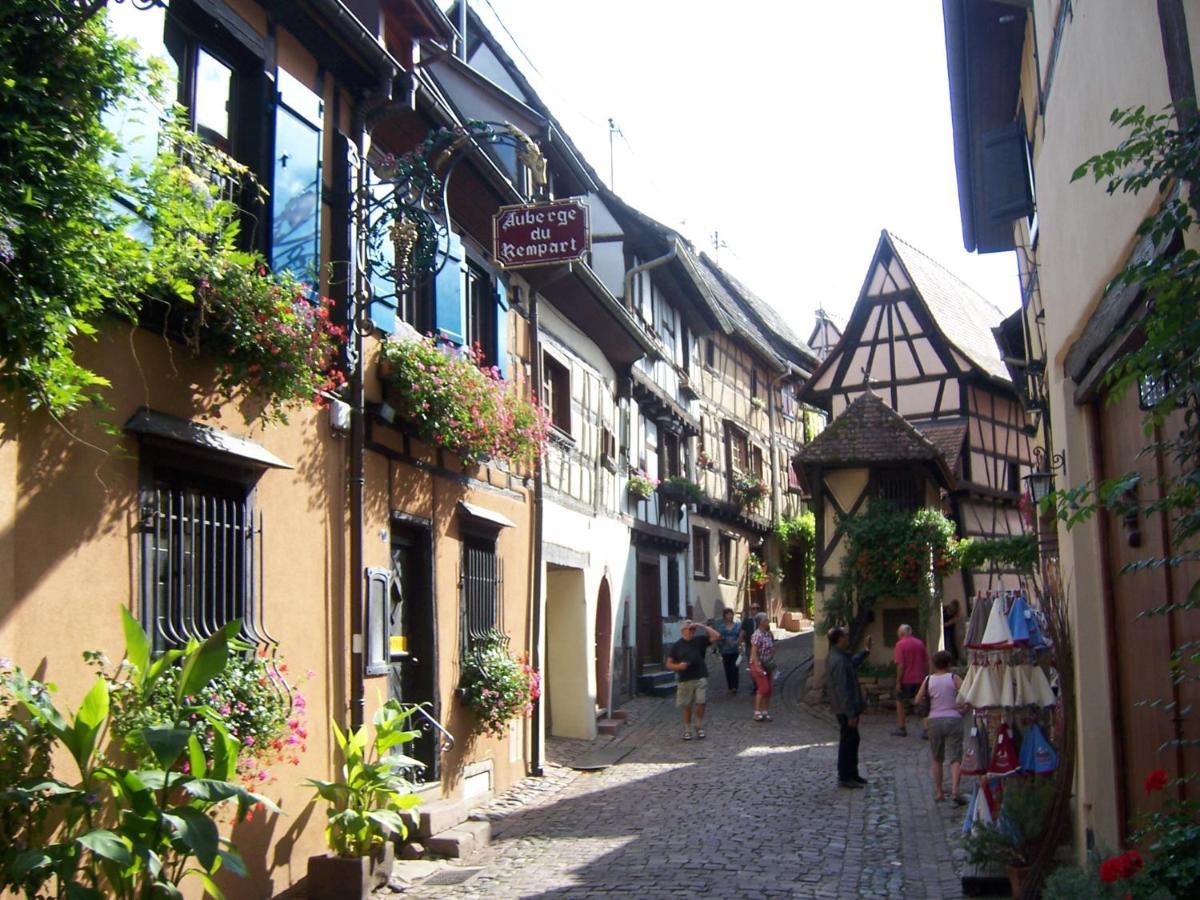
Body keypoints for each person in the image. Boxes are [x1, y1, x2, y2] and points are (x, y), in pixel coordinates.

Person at [914, 650, 966, 803]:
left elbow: (917, 700)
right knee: (955, 757)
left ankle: (939, 792)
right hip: (953, 718)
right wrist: (961, 708)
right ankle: (956, 790)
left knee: (937, 758)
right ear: (949, 664)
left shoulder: (928, 679)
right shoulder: (953, 678)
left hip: (934, 720)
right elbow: (967, 694)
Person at [827, 627, 871, 788]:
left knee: (853, 740)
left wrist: (865, 652)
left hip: (844, 707)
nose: (848, 637)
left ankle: (852, 773)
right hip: (844, 708)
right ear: (839, 639)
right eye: (845, 635)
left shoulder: (839, 656)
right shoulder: (837, 660)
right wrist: (851, 713)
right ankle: (845, 776)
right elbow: (842, 689)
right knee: (848, 741)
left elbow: (851, 663)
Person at [665, 619, 722, 740]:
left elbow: (717, 636)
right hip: (685, 678)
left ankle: (699, 726)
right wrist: (678, 666)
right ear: (683, 631)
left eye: (693, 629)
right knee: (686, 705)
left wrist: (701, 625)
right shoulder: (677, 646)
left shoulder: (699, 640)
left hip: (700, 676)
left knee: (701, 702)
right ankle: (687, 729)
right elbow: (668, 664)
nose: (692, 631)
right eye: (690, 629)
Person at [892, 624, 928, 737]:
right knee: (923, 703)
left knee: (900, 701)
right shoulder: (920, 643)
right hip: (920, 677)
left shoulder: (900, 645)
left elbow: (901, 665)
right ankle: (926, 729)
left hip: (906, 679)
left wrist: (898, 682)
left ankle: (902, 727)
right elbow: (926, 662)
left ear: (901, 634)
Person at [748, 612, 776, 722]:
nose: (768, 621)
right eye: (765, 620)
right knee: (763, 687)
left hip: (768, 662)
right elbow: (754, 651)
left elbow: (771, 646)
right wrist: (757, 665)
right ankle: (757, 711)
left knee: (769, 688)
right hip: (758, 663)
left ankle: (765, 711)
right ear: (760, 622)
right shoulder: (757, 634)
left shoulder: (767, 633)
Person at [714, 608, 742, 694]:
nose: (730, 616)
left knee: (735, 668)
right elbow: (717, 637)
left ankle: (735, 687)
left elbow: (740, 635)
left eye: (731, 614)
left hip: (735, 649)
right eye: (728, 614)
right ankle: (730, 686)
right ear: (724, 616)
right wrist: (720, 640)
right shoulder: (721, 627)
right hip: (725, 650)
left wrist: (739, 643)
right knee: (728, 669)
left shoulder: (737, 625)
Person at [740, 602, 761, 694]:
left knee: (762, 664)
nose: (755, 610)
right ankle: (755, 685)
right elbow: (742, 632)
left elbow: (768, 631)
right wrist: (740, 644)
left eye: (756, 608)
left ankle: (762, 684)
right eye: (753, 608)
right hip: (750, 646)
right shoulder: (746, 621)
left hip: (761, 647)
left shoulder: (762, 620)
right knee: (752, 666)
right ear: (750, 610)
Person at [943, 599, 962, 664]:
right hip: (945, 629)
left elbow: (952, 621)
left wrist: (946, 624)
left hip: (949, 629)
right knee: (947, 643)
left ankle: (954, 660)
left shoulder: (955, 613)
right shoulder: (945, 609)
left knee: (951, 643)